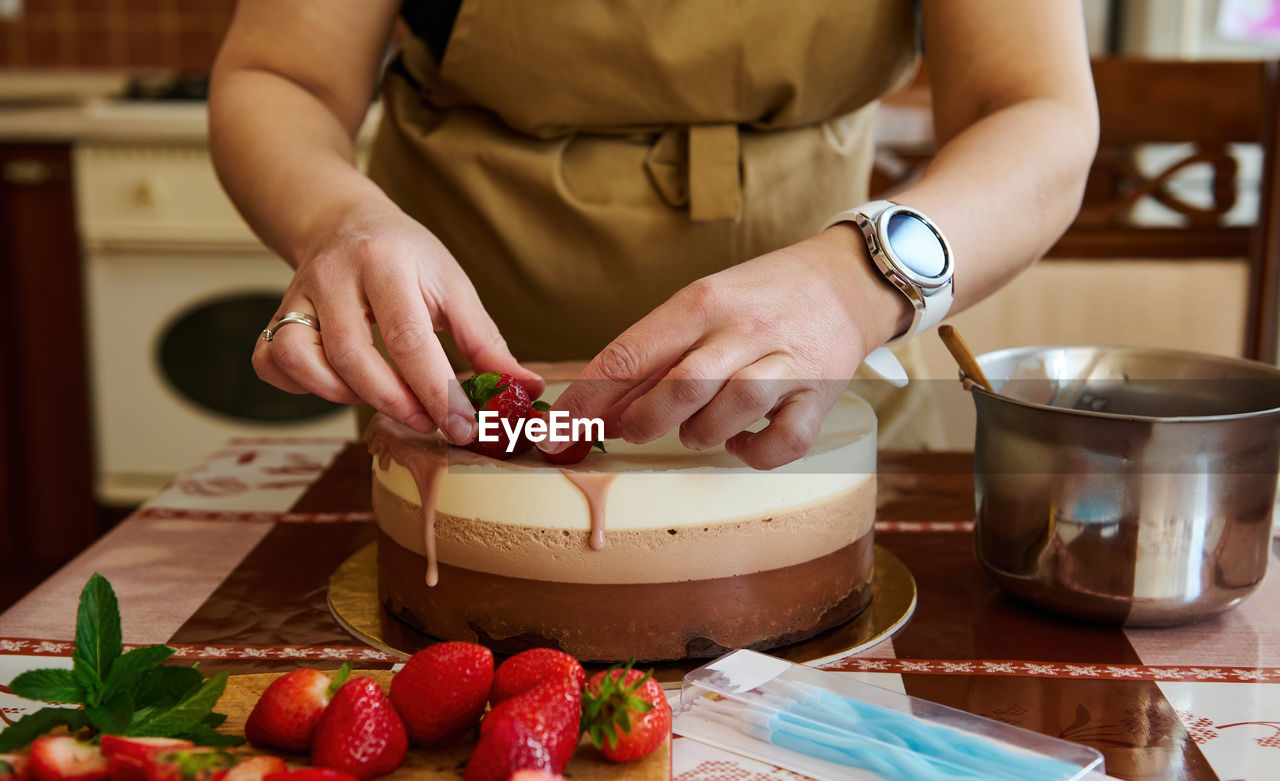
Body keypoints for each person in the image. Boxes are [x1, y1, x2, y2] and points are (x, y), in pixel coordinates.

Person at [209, 0, 1097, 470]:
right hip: (456, 428)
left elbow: (1035, 110)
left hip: (808, 415)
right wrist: (339, 218)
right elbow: (281, 76)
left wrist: (853, 285)